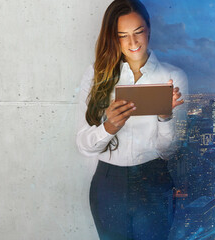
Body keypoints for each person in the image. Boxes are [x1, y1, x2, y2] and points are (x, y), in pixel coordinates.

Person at [74, 0, 188, 239]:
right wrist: (109, 127)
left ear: (149, 29)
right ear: (112, 37)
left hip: (154, 179)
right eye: (122, 35)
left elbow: (168, 151)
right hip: (108, 184)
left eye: (138, 32)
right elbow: (83, 145)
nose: (133, 42)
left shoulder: (172, 76)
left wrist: (165, 118)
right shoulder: (96, 76)